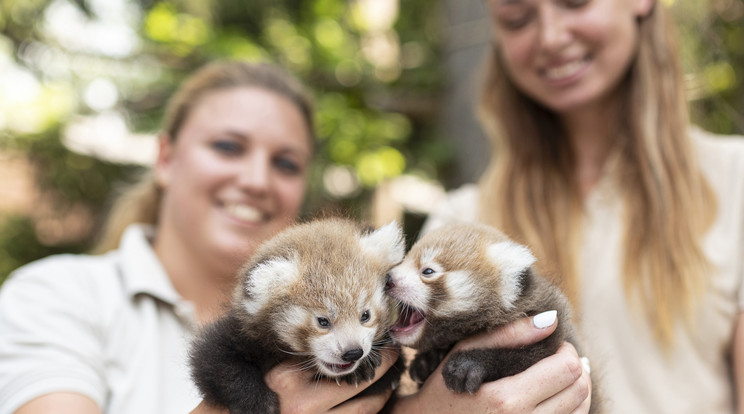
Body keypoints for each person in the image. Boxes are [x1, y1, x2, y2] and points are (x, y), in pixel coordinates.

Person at [0, 59, 591, 414]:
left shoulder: (370, 307)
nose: (255, 180)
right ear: (165, 156)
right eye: (227, 147)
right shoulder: (56, 296)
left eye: (285, 163)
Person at [422, 0, 744, 413]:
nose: (551, 37)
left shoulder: (734, 180)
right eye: (518, 19)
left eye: (574, 2)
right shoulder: (459, 225)